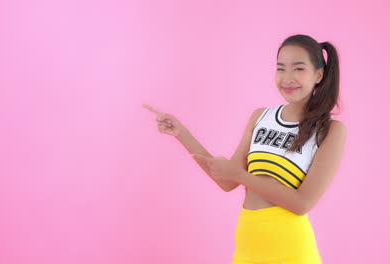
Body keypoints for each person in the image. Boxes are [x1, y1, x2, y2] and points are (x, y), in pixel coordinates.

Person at [143, 34, 347, 264]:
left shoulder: (331, 130)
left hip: (292, 252)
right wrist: (181, 133)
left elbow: (302, 204)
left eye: (298, 69)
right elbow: (227, 179)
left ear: (318, 75)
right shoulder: (261, 117)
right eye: (281, 69)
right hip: (247, 248)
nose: (288, 78)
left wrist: (240, 175)